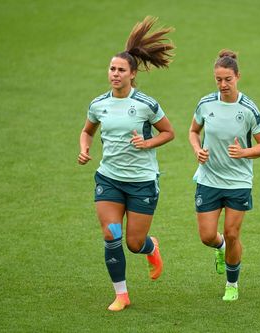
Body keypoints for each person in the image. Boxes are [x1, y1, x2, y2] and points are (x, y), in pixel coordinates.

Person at [77, 16, 175, 312]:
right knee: (111, 234)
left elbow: (169, 132)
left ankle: (151, 247)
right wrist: (84, 149)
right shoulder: (99, 104)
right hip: (109, 179)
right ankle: (121, 294)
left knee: (134, 243)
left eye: (121, 70)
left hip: (142, 181)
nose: (115, 74)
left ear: (132, 74)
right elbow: (87, 131)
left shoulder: (146, 104)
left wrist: (147, 143)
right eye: (112, 69)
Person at [188, 49, 260, 301]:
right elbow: (193, 131)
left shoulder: (248, 109)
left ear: (238, 77)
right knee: (207, 236)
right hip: (208, 179)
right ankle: (220, 247)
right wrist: (197, 149)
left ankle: (232, 283)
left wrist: (244, 151)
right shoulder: (205, 104)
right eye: (218, 79)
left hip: (238, 182)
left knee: (233, 233)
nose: (223, 84)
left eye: (228, 79)